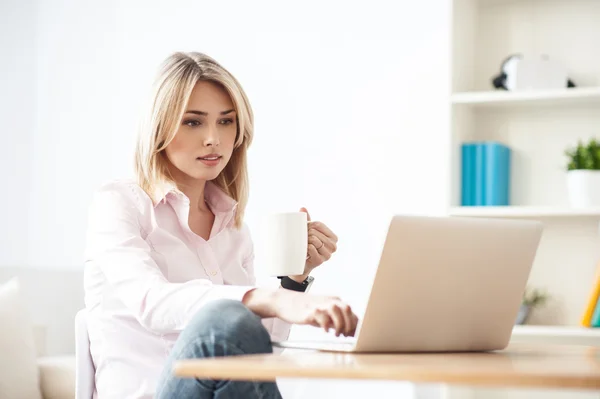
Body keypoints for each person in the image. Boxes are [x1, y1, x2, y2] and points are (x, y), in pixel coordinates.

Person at [83, 51, 359, 399]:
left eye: (226, 121)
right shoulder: (119, 203)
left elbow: (259, 353)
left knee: (236, 324)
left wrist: (293, 280)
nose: (213, 138)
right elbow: (152, 303)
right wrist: (266, 299)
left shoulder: (233, 227)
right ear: (159, 128)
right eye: (193, 122)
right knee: (225, 318)